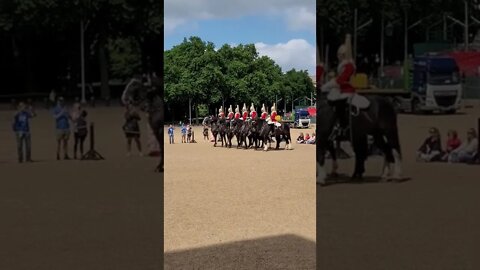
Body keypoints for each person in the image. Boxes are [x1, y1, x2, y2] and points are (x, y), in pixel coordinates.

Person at [320, 34, 364, 137]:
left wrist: (327, 86)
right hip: (341, 90)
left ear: (343, 55)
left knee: (339, 105)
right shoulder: (344, 65)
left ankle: (343, 125)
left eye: (340, 54)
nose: (338, 56)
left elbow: (341, 80)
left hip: (347, 91)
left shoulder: (348, 65)